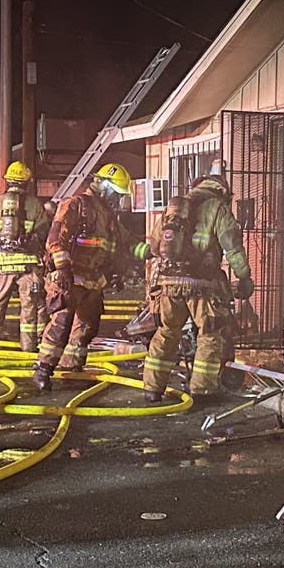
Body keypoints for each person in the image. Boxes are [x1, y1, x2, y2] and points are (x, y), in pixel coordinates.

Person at [141, 173, 252, 404]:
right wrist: (244, 277)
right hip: (201, 286)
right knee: (209, 335)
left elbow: (154, 246)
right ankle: (202, 392)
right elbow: (232, 247)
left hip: (167, 284)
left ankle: (152, 390)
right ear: (223, 192)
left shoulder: (173, 211)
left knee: (166, 332)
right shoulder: (217, 208)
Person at [33, 163, 135, 393]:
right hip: (71, 276)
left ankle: (71, 368)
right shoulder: (76, 205)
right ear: (104, 186)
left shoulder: (108, 217)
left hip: (94, 280)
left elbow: (125, 244)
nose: (117, 200)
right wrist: (62, 270)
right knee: (61, 323)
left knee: (87, 326)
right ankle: (43, 369)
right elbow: (55, 239)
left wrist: (152, 250)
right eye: (116, 194)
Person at [0, 160, 47, 351]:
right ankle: (29, 348)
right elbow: (43, 236)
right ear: (26, 182)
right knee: (29, 308)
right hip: (28, 267)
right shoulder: (35, 205)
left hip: (3, 265)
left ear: (8, 181)